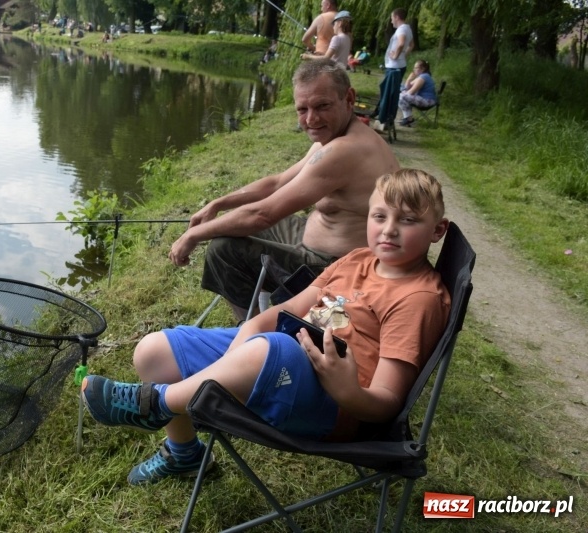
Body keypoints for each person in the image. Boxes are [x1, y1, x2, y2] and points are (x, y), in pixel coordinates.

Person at [81, 169, 452, 485]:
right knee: (153, 351)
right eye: (379, 216)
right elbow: (287, 310)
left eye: (408, 220)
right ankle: (185, 455)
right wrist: (239, 348)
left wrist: (347, 390)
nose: (389, 230)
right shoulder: (358, 258)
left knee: (270, 348)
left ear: (437, 230)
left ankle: (154, 403)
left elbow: (386, 403)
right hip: (285, 353)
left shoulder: (417, 298)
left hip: (334, 404)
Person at [169, 58, 399, 321]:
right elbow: (277, 183)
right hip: (319, 244)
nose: (311, 119)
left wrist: (193, 235)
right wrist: (218, 204)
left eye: (322, 106)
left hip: (337, 274)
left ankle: (254, 332)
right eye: (302, 109)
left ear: (349, 98)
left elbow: (263, 215)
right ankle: (260, 318)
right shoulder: (335, 135)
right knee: (234, 225)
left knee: (223, 250)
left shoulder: (346, 150)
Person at [372, 8, 414, 126]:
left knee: (389, 93)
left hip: (394, 67)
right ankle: (383, 115)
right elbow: (411, 45)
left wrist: (396, 56)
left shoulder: (401, 29)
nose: (391, 21)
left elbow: (401, 43)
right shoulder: (408, 28)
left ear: (397, 17)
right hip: (399, 65)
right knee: (391, 92)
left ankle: (385, 118)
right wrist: (404, 55)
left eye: (392, 18)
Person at [398, 60, 437, 126]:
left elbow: (411, 92)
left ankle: (408, 119)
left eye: (416, 68)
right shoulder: (421, 76)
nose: (414, 69)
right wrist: (409, 79)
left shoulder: (423, 77)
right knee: (402, 93)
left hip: (428, 101)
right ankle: (408, 118)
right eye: (414, 68)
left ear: (423, 69)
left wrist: (403, 91)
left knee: (401, 96)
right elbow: (407, 87)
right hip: (423, 99)